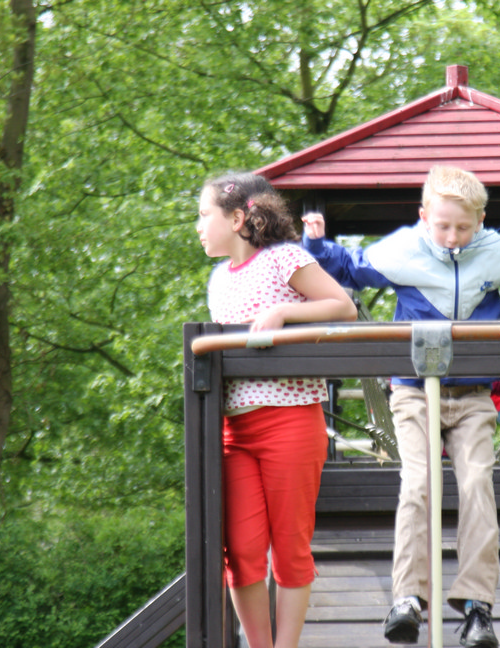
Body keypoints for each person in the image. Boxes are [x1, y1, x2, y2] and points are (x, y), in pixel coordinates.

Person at [302, 165, 500, 648]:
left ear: (481, 221)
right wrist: (316, 245)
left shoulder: (495, 253)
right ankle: (407, 599)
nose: (452, 237)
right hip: (415, 392)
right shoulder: (404, 250)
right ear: (423, 217)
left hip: (474, 396)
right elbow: (349, 267)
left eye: (463, 227)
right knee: (418, 485)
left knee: (477, 485)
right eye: (442, 226)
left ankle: (477, 606)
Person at [195, 171, 358, 648]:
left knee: (290, 548)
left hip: (291, 421)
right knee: (241, 553)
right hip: (233, 431)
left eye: (204, 215)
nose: (198, 227)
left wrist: (285, 312)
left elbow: (342, 306)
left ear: (237, 219)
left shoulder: (284, 257)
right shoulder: (218, 279)